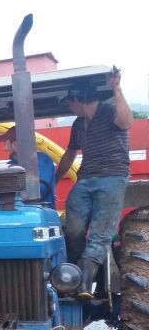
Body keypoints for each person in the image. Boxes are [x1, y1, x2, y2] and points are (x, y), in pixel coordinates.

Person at [55, 71, 134, 299]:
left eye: (69, 102)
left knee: (100, 235)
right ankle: (77, 275)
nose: (69, 106)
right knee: (73, 230)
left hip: (112, 177)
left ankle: (83, 285)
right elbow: (70, 154)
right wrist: (53, 181)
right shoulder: (78, 124)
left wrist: (116, 88)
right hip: (86, 179)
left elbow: (127, 122)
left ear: (77, 99)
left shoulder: (110, 111)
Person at [0, 126, 57, 208]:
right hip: (15, 213)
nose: (4, 149)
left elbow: (40, 189)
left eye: (5, 144)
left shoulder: (42, 160)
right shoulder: (9, 166)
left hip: (40, 212)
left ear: (15, 144)